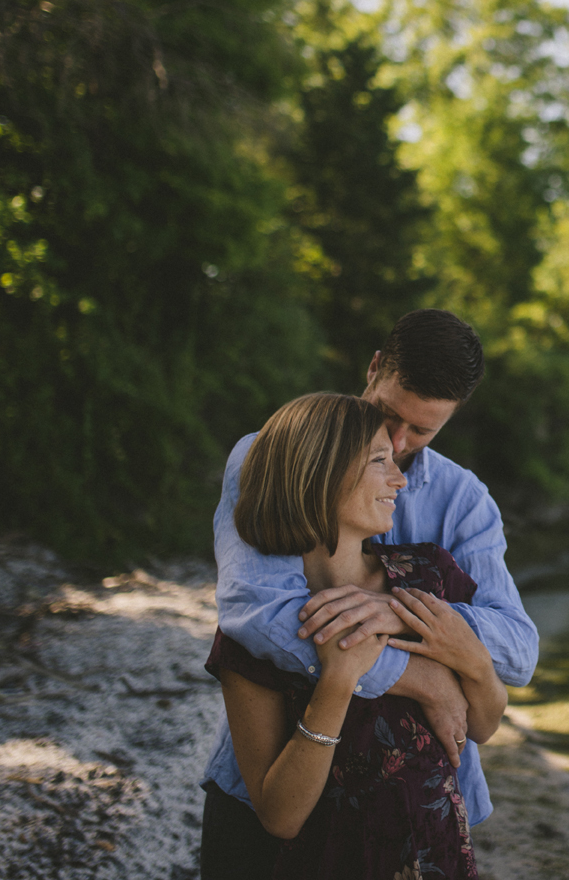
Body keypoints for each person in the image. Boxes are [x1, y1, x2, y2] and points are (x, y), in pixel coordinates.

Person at [202, 310, 538, 877]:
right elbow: (256, 615)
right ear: (375, 368)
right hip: (283, 789)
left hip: (421, 812)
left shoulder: (460, 506)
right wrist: (424, 676)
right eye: (388, 418)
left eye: (423, 431)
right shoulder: (275, 456)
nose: (400, 449)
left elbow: (516, 652)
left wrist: (403, 614)